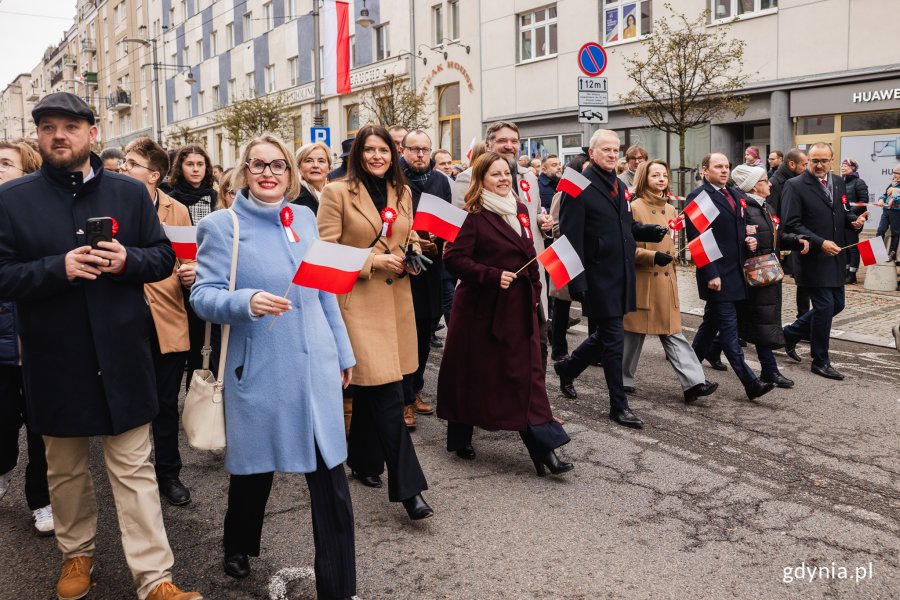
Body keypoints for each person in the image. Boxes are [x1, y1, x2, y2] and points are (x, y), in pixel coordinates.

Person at [0, 92, 199, 600]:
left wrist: (126, 261)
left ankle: (155, 578)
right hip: (54, 359)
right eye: (48, 127)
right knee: (65, 471)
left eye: (70, 126)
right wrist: (57, 269)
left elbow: (161, 259)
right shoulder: (12, 199)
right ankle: (77, 556)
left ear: (93, 133)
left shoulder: (129, 194)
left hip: (122, 355)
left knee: (134, 470)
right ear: (39, 135)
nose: (59, 135)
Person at [190, 134, 356, 597]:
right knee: (253, 473)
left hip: (316, 366)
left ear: (291, 173)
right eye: (258, 164)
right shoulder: (224, 226)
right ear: (244, 171)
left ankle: (340, 586)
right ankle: (238, 542)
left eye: (278, 165)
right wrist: (246, 301)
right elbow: (203, 296)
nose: (268, 173)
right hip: (260, 369)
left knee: (330, 481)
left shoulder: (304, 215)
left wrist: (342, 353)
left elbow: (323, 291)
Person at [317, 124, 433, 520]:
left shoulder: (403, 191)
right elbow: (325, 253)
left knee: (372, 390)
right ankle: (410, 490)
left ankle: (362, 461)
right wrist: (371, 261)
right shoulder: (336, 193)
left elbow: (407, 233)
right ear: (358, 155)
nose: (377, 156)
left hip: (397, 301)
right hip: (357, 305)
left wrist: (413, 250)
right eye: (369, 150)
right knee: (388, 395)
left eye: (384, 149)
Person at [437, 152, 573, 474]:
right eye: (494, 174)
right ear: (481, 179)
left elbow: (529, 255)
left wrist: (536, 295)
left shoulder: (521, 210)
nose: (502, 179)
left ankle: (544, 451)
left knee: (527, 378)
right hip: (480, 313)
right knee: (471, 376)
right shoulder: (472, 214)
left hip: (520, 309)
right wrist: (491, 275)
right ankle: (460, 437)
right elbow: (453, 259)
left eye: (506, 173)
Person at [553, 129, 668, 429]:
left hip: (622, 273)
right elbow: (569, 236)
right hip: (597, 275)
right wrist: (576, 282)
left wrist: (647, 232)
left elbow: (625, 224)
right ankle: (619, 405)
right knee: (614, 339)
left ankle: (568, 368)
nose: (612, 154)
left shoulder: (618, 184)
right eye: (606, 149)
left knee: (606, 335)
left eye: (616, 149)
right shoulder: (576, 185)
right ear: (592, 153)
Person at [120, 137, 194, 507]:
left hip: (166, 317)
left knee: (166, 402)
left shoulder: (176, 210)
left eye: (131, 163)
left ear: (153, 175)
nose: (122, 167)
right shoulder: (110, 206)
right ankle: (131, 475)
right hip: (124, 319)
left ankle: (168, 473)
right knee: (129, 401)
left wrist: (190, 274)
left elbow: (187, 261)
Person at [622, 160, 719, 403]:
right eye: (655, 175)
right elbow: (625, 250)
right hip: (643, 281)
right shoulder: (634, 207)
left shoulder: (671, 210)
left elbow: (672, 245)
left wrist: (671, 257)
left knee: (673, 333)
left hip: (666, 282)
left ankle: (693, 383)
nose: (662, 179)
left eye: (664, 175)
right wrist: (654, 257)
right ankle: (622, 378)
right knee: (633, 335)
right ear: (644, 178)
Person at [686, 153, 776, 401]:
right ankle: (751, 383)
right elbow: (697, 240)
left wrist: (751, 238)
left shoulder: (736, 195)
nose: (724, 171)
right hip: (717, 274)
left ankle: (689, 378)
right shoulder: (700, 197)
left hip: (736, 273)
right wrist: (710, 274)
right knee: (728, 332)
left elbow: (747, 224)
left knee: (709, 328)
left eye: (726, 166)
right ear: (705, 170)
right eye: (718, 167)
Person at [0, 139, 53, 536]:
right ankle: (2, 469)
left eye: (5, 163)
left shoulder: (39, 218)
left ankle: (42, 500)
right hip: (1, 347)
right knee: (2, 426)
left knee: (42, 430)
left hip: (40, 344)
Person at [781, 142, 866, 380]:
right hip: (813, 257)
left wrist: (853, 220)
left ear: (832, 160)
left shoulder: (838, 182)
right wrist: (820, 243)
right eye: (814, 161)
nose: (818, 165)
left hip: (835, 255)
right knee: (825, 306)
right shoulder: (794, 185)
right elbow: (791, 224)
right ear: (808, 160)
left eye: (823, 161)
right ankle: (820, 360)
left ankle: (789, 334)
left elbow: (842, 209)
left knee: (837, 305)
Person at [730, 164, 810, 389]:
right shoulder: (745, 209)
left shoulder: (766, 207)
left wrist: (796, 240)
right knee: (760, 322)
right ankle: (769, 371)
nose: (771, 183)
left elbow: (775, 237)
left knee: (742, 323)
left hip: (767, 273)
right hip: (756, 275)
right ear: (755, 186)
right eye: (766, 180)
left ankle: (707, 350)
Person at [398, 130, 449, 429]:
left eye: (425, 150)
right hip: (405, 266)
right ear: (403, 150)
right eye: (414, 149)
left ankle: (415, 389)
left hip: (434, 266)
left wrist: (439, 241)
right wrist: (414, 244)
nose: (420, 155)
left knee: (429, 323)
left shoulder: (440, 180)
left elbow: (446, 219)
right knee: (408, 331)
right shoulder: (395, 178)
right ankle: (404, 399)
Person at [167, 144, 218, 393]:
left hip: (209, 274)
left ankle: (200, 398)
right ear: (180, 167)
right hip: (179, 276)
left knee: (204, 346)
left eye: (200, 164)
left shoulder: (215, 197)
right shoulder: (171, 198)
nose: (196, 169)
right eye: (190, 164)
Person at [547, 153, 589, 361]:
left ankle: (594, 350)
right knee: (562, 304)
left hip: (585, 254)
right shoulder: (563, 193)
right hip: (563, 252)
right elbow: (555, 226)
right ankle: (559, 349)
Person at [768, 148, 810, 318]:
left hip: (795, 237)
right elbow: (772, 216)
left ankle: (802, 320)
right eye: (804, 165)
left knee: (803, 282)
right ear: (792, 164)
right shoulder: (776, 183)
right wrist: (782, 242)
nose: (807, 168)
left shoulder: (797, 181)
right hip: (782, 242)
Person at [841, 158, 869, 283]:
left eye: (845, 165)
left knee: (852, 246)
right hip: (843, 219)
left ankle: (852, 274)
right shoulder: (841, 182)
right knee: (845, 246)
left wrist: (850, 214)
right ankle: (846, 271)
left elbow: (863, 202)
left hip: (854, 220)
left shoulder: (859, 182)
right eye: (842, 165)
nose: (842, 167)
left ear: (852, 168)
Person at [293, 141, 332, 215]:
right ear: (299, 168)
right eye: (309, 161)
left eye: (321, 161)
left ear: (329, 168)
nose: (315, 165)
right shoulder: (293, 197)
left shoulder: (336, 194)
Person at [875, 167, 900, 263]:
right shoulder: (891, 184)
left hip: (896, 211)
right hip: (886, 211)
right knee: (880, 230)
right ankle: (877, 253)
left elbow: (897, 197)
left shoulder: (894, 187)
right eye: (894, 173)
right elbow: (884, 194)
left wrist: (894, 196)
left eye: (897, 173)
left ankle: (892, 252)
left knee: (895, 233)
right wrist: (881, 199)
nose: (894, 174)